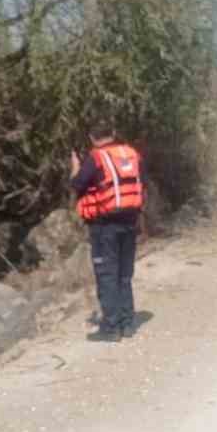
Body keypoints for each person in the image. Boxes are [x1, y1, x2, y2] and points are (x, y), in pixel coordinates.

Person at [70, 126, 144, 341]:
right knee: (123, 274)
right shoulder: (131, 153)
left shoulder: (96, 157)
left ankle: (111, 329)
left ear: (92, 137)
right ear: (113, 133)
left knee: (107, 275)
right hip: (130, 222)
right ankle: (127, 323)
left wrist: (74, 167)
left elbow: (77, 185)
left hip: (105, 226)